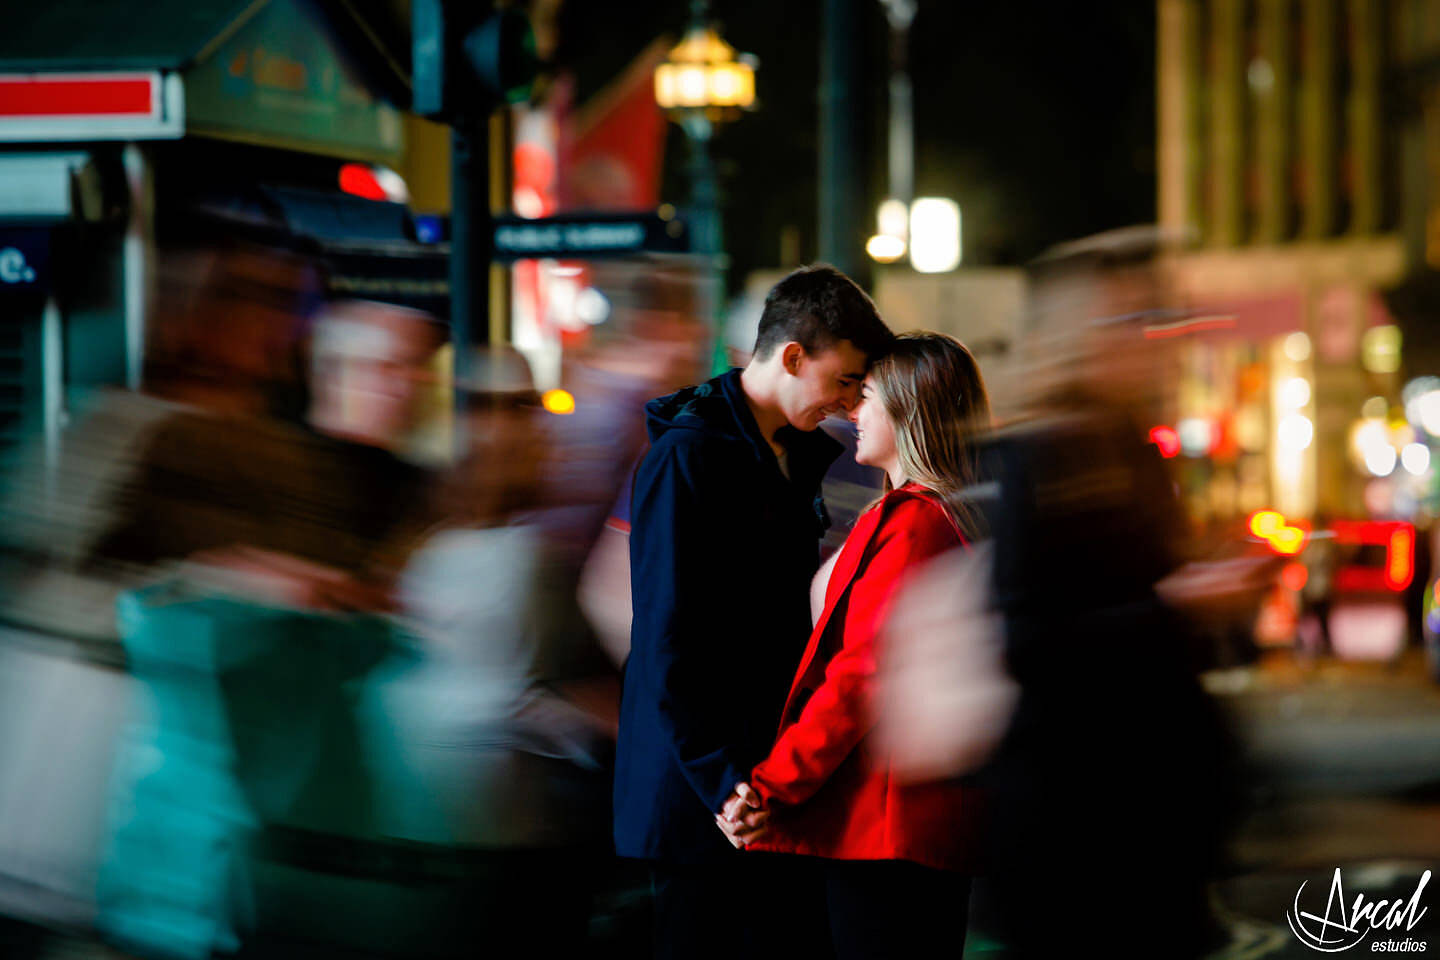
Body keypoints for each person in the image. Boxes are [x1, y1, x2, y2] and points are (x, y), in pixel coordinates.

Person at [613, 264, 893, 959]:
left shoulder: (794, 455)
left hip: (760, 781)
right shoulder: (689, 457)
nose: (852, 401)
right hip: (703, 796)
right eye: (847, 379)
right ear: (793, 356)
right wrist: (726, 785)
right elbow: (668, 636)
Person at [715, 333, 991, 959]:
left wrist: (770, 786)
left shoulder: (912, 519)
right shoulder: (946, 514)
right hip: (911, 825)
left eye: (865, 396)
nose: (851, 412)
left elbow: (858, 676)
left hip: (885, 831)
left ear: (910, 410)